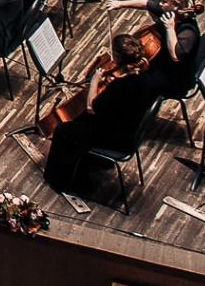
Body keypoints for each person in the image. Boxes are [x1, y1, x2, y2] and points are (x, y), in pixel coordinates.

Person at [43, 33, 154, 192]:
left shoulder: (120, 86)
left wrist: (95, 80)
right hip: (130, 131)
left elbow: (91, 107)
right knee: (80, 122)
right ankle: (88, 161)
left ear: (118, 57)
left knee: (63, 130)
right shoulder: (145, 79)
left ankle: (58, 180)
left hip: (116, 139)